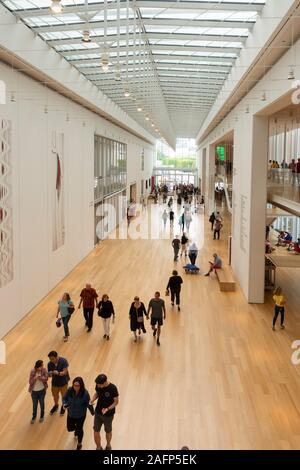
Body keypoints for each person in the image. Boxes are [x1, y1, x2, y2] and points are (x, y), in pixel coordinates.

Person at [90, 374, 119, 451]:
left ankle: (108, 445)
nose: (98, 386)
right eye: (97, 384)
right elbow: (97, 393)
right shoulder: (98, 385)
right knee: (96, 430)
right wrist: (92, 399)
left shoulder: (113, 388)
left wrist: (108, 409)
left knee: (108, 431)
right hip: (98, 412)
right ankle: (98, 447)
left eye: (100, 385)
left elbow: (116, 402)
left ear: (105, 382)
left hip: (108, 415)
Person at [63, 377, 91, 450]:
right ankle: (77, 430)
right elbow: (64, 398)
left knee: (79, 429)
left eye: (77, 385)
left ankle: (79, 444)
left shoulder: (85, 393)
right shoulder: (69, 390)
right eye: (74, 385)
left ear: (81, 385)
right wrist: (64, 404)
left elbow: (88, 403)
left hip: (80, 415)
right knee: (69, 428)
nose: (75, 387)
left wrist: (92, 409)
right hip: (71, 414)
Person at [47, 351, 70, 416]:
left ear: (57, 357)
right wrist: (49, 374)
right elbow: (49, 375)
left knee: (64, 396)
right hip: (54, 383)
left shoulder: (63, 361)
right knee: (55, 396)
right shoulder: (49, 364)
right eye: (50, 359)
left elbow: (65, 372)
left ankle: (63, 406)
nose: (51, 360)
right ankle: (56, 405)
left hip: (63, 382)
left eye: (52, 359)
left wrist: (58, 373)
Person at [28, 360, 48, 424]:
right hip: (34, 392)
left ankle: (42, 416)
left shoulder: (44, 370)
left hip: (42, 391)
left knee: (42, 404)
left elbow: (46, 379)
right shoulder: (33, 371)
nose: (42, 367)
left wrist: (39, 377)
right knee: (34, 404)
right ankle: (34, 417)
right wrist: (35, 378)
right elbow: (30, 382)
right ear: (37, 367)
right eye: (41, 365)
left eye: (42, 365)